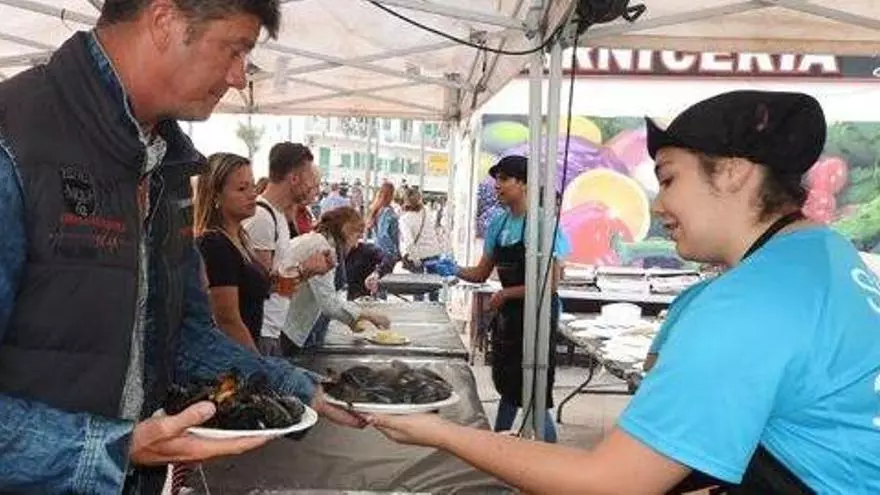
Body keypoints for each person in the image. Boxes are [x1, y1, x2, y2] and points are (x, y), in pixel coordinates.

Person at [367, 91, 880, 494]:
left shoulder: (745, 305)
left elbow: (609, 483)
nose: (657, 206)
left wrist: (440, 431)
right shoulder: (826, 252)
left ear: (733, 172)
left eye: (669, 179)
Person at [0, 1, 364, 492]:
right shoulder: (15, 140)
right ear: (164, 20)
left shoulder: (166, 167)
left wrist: (299, 389)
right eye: (235, 50)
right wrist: (109, 450)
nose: (239, 77)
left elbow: (182, 337)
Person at [454, 155, 567, 442]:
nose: (497, 185)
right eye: (496, 180)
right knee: (508, 384)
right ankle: (498, 441)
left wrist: (506, 293)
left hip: (538, 315)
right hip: (511, 317)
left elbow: (550, 284)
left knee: (533, 389)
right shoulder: (498, 223)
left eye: (504, 179)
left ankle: (550, 449)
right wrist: (451, 268)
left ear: (524, 183)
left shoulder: (544, 224)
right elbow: (481, 273)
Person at [244, 141, 330, 356]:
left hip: (272, 331)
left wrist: (310, 271)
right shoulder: (263, 218)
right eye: (310, 180)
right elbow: (259, 289)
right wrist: (304, 268)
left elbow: (281, 289)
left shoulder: (278, 216)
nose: (313, 188)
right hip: (260, 333)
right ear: (294, 179)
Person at [280, 207, 390, 351]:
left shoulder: (317, 241)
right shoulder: (322, 248)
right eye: (356, 237)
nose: (356, 245)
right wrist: (369, 315)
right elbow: (328, 303)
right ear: (346, 230)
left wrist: (351, 320)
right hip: (286, 328)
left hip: (286, 322)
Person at [399, 187, 444, 301]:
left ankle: (419, 309)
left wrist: (415, 259)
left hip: (418, 256)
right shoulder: (427, 213)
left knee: (418, 289)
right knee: (434, 288)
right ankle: (435, 309)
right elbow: (435, 232)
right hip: (434, 252)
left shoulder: (404, 219)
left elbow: (409, 243)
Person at [366, 181, 401, 278]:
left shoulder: (376, 209)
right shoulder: (389, 213)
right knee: (384, 281)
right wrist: (395, 252)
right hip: (387, 253)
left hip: (377, 250)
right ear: (391, 195)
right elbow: (387, 235)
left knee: (377, 279)